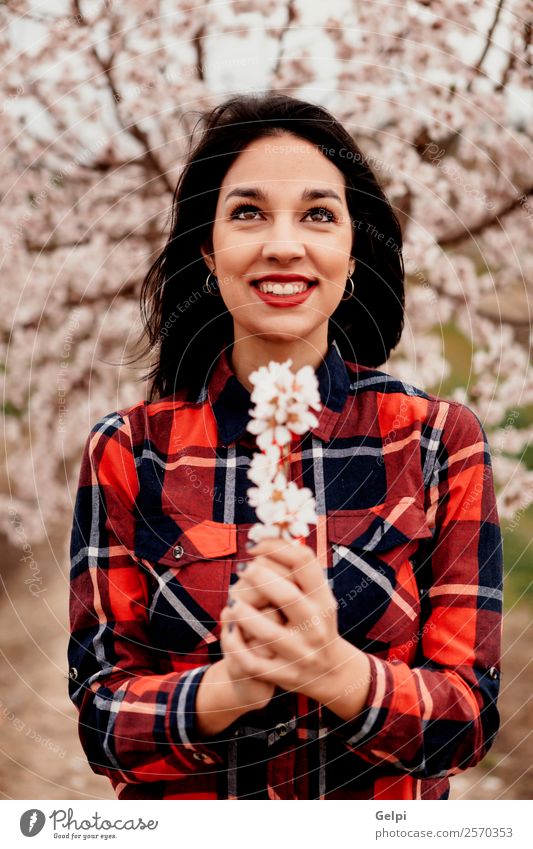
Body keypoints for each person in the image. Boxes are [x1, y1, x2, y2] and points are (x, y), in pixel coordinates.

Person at [67, 93, 503, 800]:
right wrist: (225, 689)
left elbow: (467, 721)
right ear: (207, 250)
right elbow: (101, 719)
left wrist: (334, 671)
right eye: (247, 212)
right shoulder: (127, 450)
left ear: (352, 249)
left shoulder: (436, 440)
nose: (282, 244)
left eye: (318, 214)